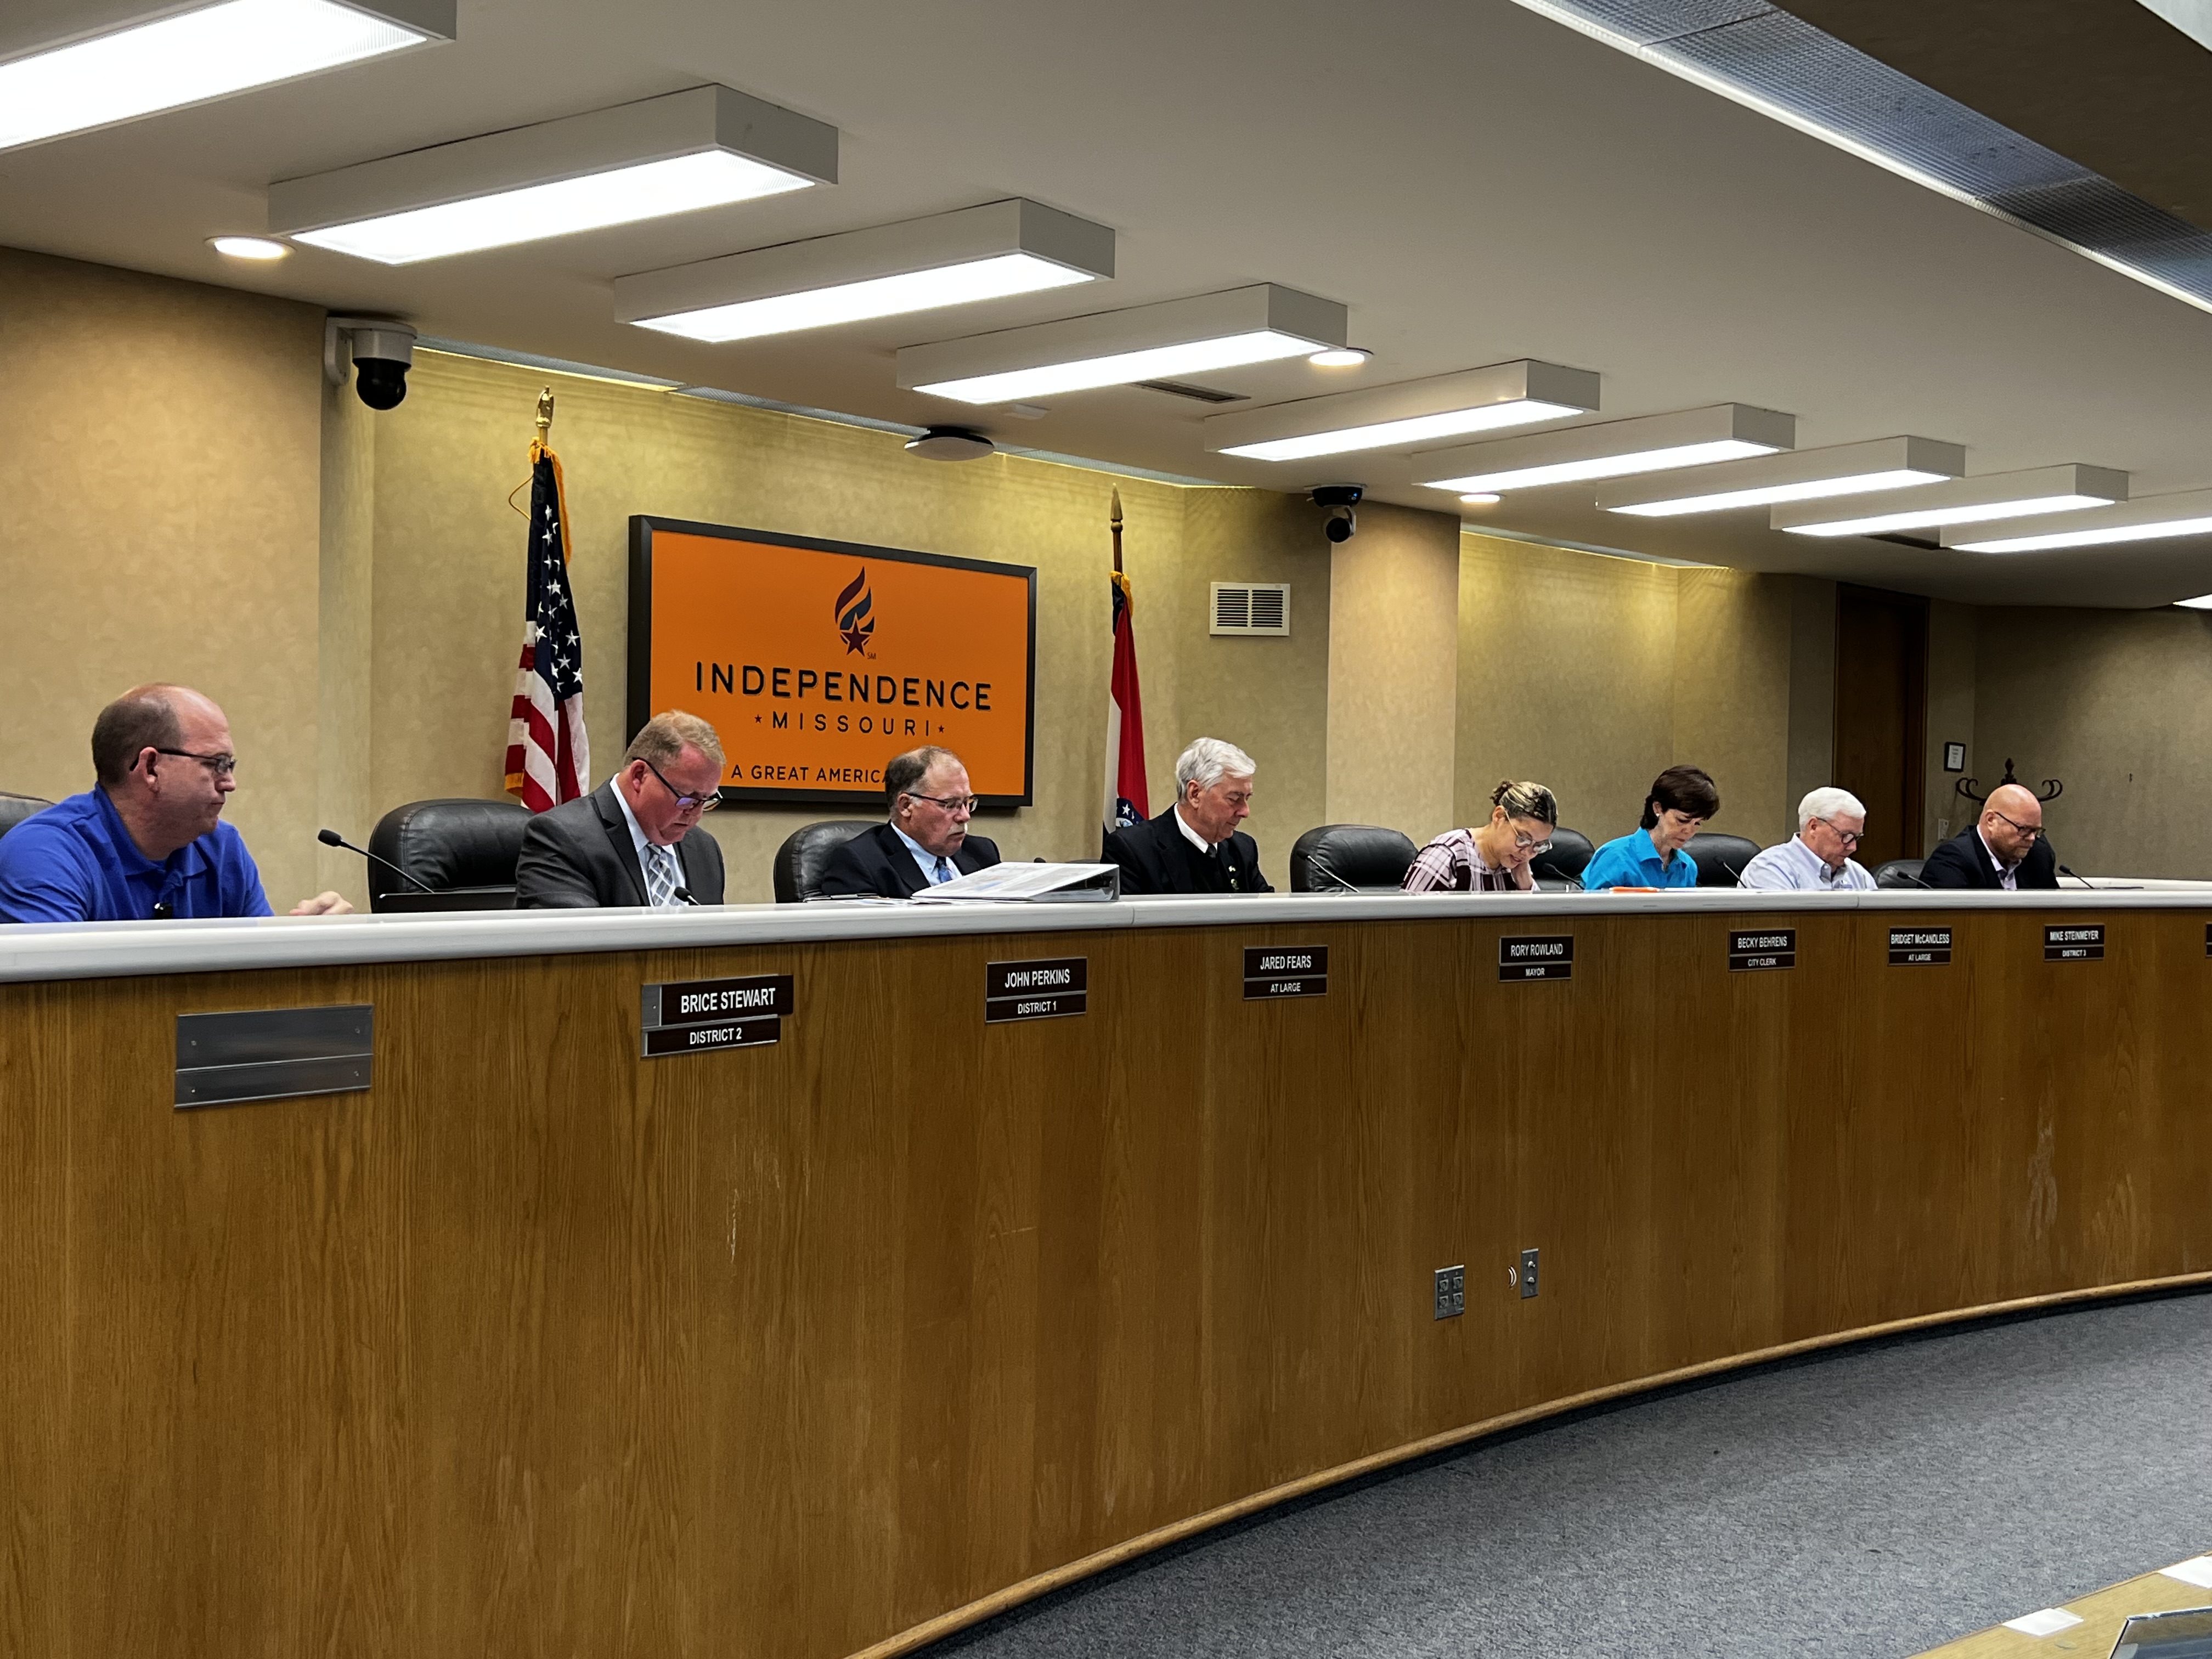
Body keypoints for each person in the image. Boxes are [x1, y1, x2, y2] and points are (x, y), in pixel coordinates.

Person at [0, 683, 351, 923]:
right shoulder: (44, 853)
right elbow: (50, 1008)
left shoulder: (222, 848)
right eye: (216, 764)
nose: (230, 783)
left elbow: (259, 989)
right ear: (151, 767)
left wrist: (313, 949)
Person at [515, 710, 728, 907]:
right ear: (639, 776)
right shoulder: (561, 839)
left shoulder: (704, 849)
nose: (696, 814)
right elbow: (576, 941)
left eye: (706, 799)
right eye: (686, 797)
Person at [818, 746, 1002, 898]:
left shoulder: (982, 853)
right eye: (950, 805)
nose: (965, 816)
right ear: (906, 806)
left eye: (967, 803)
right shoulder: (859, 863)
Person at [1106, 737, 1273, 894]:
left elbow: (1270, 915)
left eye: (1247, 798)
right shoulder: (1132, 850)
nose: (1245, 811)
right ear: (1195, 794)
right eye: (1234, 799)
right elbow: (1127, 923)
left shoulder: (1242, 849)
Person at [1578, 765, 1719, 891]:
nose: (1689, 831)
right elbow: (1591, 916)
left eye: (1697, 823)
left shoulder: (1687, 867)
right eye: (1682, 820)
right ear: (1658, 808)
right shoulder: (1615, 857)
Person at [1402, 781, 1559, 893]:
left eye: (1538, 846)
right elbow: (1404, 927)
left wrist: (1526, 887)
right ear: (1499, 816)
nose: (1527, 854)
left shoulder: (1516, 863)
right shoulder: (1447, 856)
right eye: (1523, 839)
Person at [1920, 782, 2058, 890]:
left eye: (2036, 831)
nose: (2032, 839)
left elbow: (2055, 918)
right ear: (1991, 820)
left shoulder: (2038, 855)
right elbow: (1959, 923)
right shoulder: (1951, 860)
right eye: (2023, 829)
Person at [1738, 787, 1877, 891]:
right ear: (1814, 827)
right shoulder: (1770, 869)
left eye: (1856, 838)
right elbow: (1784, 926)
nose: (1853, 848)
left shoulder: (1859, 875)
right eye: (1846, 836)